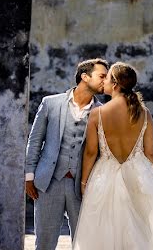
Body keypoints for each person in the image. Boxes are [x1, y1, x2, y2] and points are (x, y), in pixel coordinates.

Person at [72, 61, 153, 250]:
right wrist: (148, 179)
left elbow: (90, 153)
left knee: (103, 232)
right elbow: (151, 153)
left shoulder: (97, 114)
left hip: (104, 177)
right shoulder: (144, 113)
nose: (103, 81)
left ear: (114, 84)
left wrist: (83, 182)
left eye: (107, 77)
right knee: (141, 233)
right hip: (139, 175)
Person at [25, 58, 110, 250]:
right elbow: (35, 140)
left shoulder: (102, 112)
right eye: (102, 76)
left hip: (83, 186)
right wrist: (29, 175)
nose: (106, 81)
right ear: (85, 77)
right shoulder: (50, 103)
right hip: (48, 182)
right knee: (44, 242)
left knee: (85, 243)